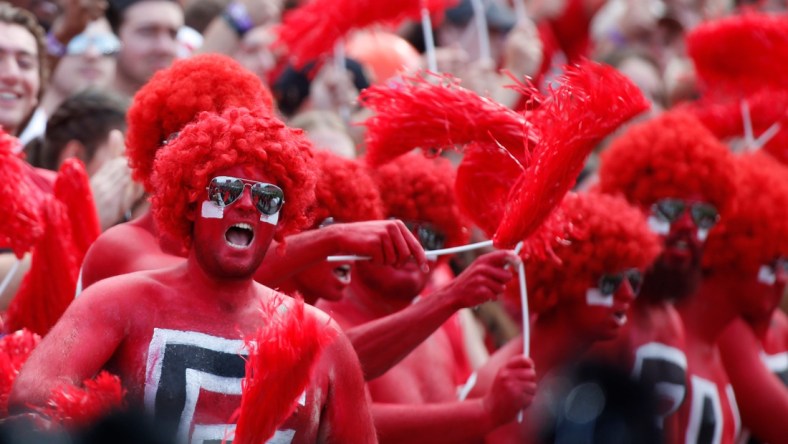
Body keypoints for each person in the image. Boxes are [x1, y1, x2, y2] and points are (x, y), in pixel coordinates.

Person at [10, 106, 377, 443]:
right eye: (226, 191)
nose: (247, 205)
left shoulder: (323, 338)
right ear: (190, 203)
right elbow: (32, 397)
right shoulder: (117, 301)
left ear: (281, 219)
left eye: (267, 198)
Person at [318, 152, 537, 443]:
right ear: (362, 229)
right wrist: (485, 412)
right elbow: (343, 423)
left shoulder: (446, 321)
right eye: (401, 230)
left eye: (431, 238)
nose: (414, 248)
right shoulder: (324, 318)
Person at [464, 192, 661, 443]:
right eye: (609, 283)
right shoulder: (504, 385)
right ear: (562, 279)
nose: (627, 294)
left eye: (633, 279)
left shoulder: (583, 372)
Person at [592, 111, 736, 442]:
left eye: (702, 215)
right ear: (627, 203)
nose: (686, 226)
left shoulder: (669, 317)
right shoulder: (606, 313)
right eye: (669, 210)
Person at [695, 153, 788, 444]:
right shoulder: (725, 330)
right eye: (772, 264)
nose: (782, 279)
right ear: (735, 252)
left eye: (786, 263)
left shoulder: (778, 323)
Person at [106, 0, 183, 97]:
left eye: (173, 34)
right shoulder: (84, 108)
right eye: (148, 32)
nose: (165, 47)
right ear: (113, 35)